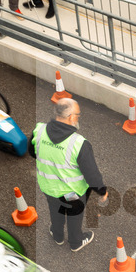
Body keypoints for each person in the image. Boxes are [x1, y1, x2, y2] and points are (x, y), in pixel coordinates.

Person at [30, 98, 107, 251]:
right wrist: (101, 190)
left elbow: (32, 152)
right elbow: (91, 173)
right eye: (78, 114)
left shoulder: (38, 130)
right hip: (74, 193)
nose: (78, 117)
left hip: (49, 188)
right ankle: (75, 242)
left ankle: (57, 236)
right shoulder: (79, 143)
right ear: (71, 117)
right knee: (74, 215)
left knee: (55, 210)